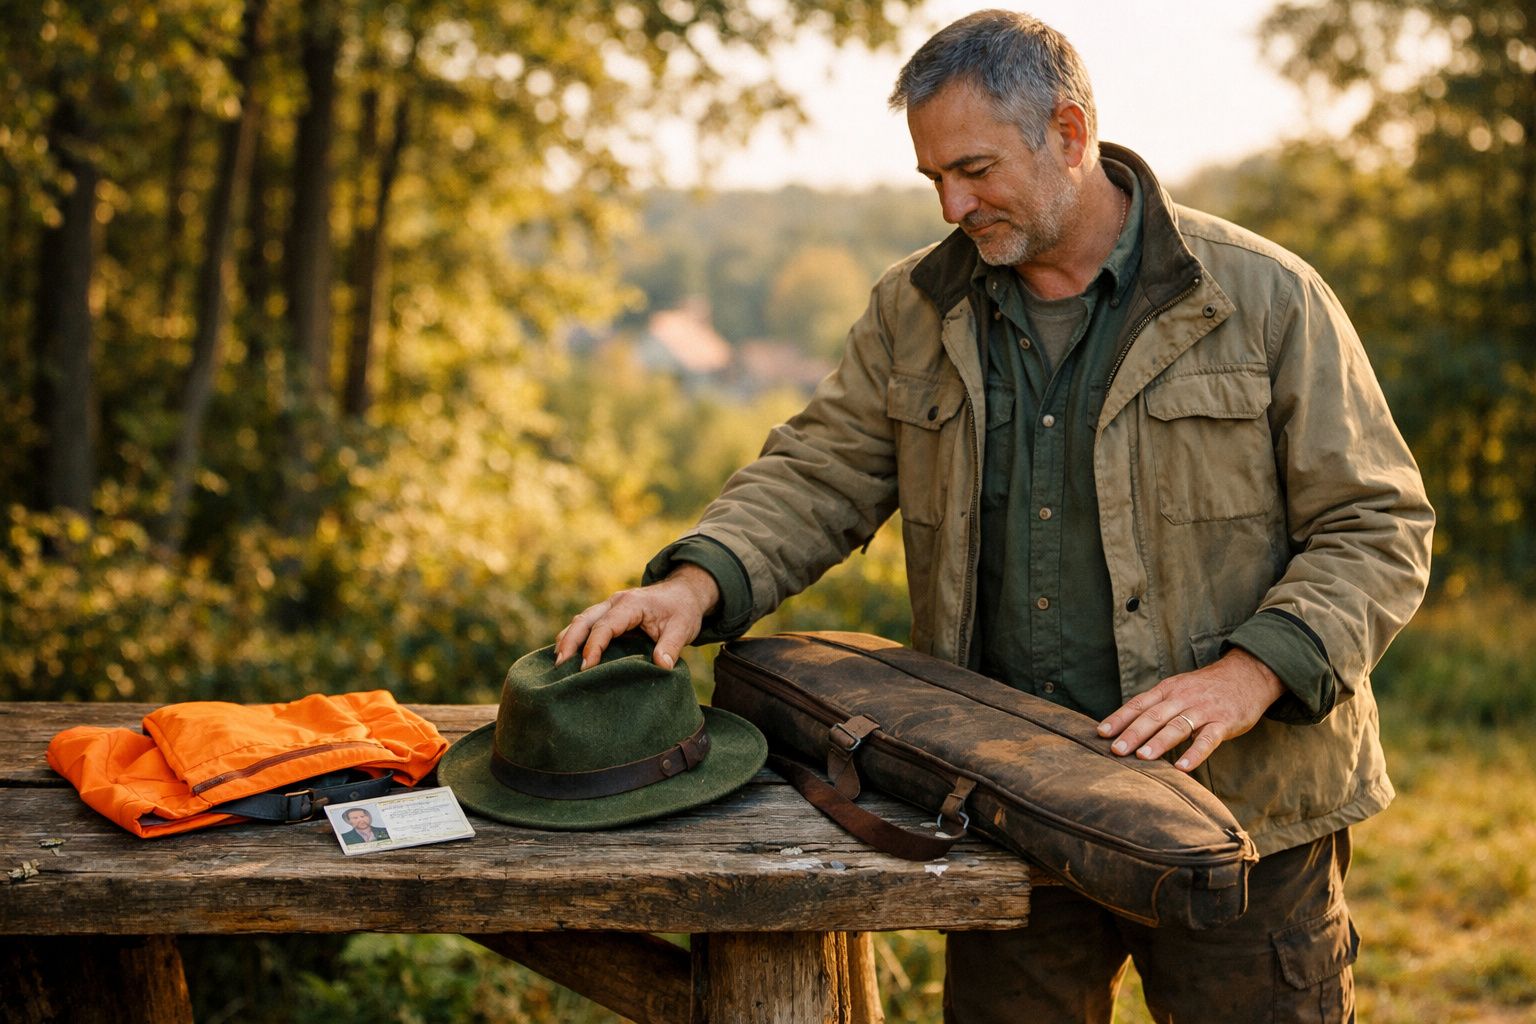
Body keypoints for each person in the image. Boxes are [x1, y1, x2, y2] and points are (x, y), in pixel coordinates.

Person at [556, 10, 1432, 1021]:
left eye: (973, 169)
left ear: (1068, 133)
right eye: (933, 177)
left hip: (1245, 821)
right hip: (1007, 803)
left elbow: (1379, 524)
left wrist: (1253, 671)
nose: (952, 203)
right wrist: (693, 581)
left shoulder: (1265, 299)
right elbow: (818, 470)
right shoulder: (913, 309)